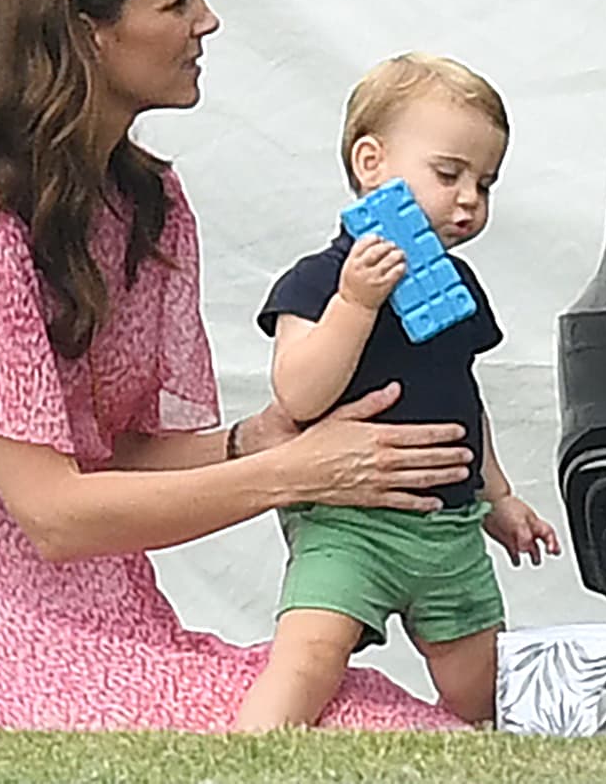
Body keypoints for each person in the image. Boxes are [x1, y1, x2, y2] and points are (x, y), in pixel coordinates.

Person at [0, 0, 481, 730]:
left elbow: (117, 452)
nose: (207, 20)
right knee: (373, 731)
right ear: (88, 32)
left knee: (401, 724)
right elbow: (55, 515)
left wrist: (255, 439)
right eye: (178, 0)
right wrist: (295, 472)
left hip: (120, 631)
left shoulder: (145, 204)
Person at [235, 53, 562, 731]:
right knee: (308, 658)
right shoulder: (317, 281)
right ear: (371, 163)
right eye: (448, 174)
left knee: (483, 687)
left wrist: (498, 496)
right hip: (347, 524)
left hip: (450, 531)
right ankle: (252, 753)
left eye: (485, 183)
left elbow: (462, 397)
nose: (469, 200)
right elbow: (297, 395)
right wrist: (356, 303)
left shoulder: (459, 288)